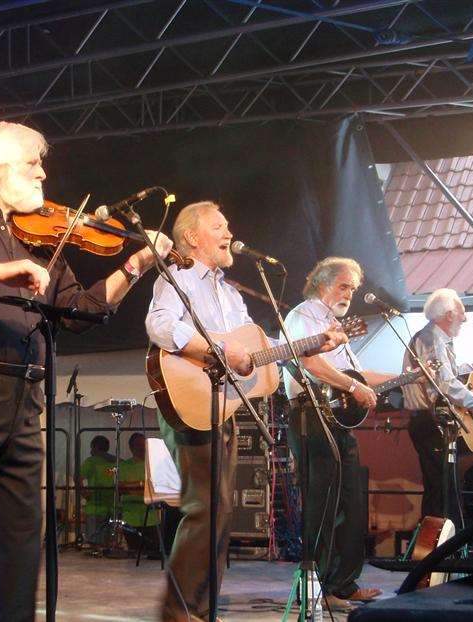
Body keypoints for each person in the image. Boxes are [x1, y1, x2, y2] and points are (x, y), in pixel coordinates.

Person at [0, 121, 172, 622]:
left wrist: (136, 265)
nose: (43, 174)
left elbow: (80, 309)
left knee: (23, 534)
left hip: (25, 396)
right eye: (32, 165)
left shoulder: (43, 238)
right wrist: (0, 270)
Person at [145, 201, 346, 622]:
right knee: (205, 508)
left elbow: (255, 353)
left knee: (220, 512)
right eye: (218, 225)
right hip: (188, 400)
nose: (228, 231)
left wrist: (313, 344)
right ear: (193, 238)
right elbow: (160, 326)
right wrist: (217, 348)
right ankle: (178, 612)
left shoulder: (232, 293)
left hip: (223, 406)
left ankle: (203, 608)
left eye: (227, 223)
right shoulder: (178, 276)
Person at [283, 256, 395, 608]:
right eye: (343, 285)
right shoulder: (303, 315)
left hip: (336, 417)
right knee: (323, 504)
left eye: (353, 288)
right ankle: (318, 589)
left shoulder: (334, 324)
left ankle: (343, 584)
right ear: (321, 282)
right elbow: (311, 364)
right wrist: (354, 386)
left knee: (350, 501)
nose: (350, 293)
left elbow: (356, 376)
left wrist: (405, 377)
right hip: (311, 413)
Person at [402, 288, 473, 523]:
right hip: (429, 421)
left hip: (436, 422)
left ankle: (444, 548)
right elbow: (444, 382)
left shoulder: (437, 339)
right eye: (462, 313)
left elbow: (449, 373)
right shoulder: (429, 339)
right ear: (448, 315)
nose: (464, 319)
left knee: (446, 489)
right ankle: (434, 552)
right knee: (440, 490)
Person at [119, 432, 160, 556]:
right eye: (138, 445)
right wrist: (142, 486)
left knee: (153, 554)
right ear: (131, 447)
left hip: (151, 519)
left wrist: (133, 486)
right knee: (134, 553)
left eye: (144, 445)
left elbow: (155, 486)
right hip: (130, 518)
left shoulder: (154, 465)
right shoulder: (124, 466)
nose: (142, 448)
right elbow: (121, 488)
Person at [80, 435, 117, 545]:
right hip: (112, 507)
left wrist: (85, 494)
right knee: (109, 542)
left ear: (95, 447)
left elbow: (78, 478)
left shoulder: (91, 461)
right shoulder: (117, 461)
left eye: (91, 447)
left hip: (95, 507)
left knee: (94, 542)